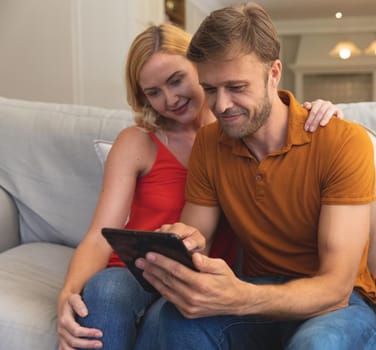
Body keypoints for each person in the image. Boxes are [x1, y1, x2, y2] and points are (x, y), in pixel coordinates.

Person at [56, 22, 343, 350]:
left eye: (176, 80)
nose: (170, 99)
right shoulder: (138, 142)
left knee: (175, 320)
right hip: (135, 272)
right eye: (153, 92)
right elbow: (99, 235)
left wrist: (321, 111)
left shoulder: (243, 132)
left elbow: (284, 124)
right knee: (106, 290)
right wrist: (68, 293)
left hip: (195, 274)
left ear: (203, 66)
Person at [135, 3, 376, 350]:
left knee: (318, 345)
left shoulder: (342, 141)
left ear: (274, 73)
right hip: (254, 287)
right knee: (177, 323)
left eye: (236, 86)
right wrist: (178, 242)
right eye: (209, 89)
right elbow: (198, 235)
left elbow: (335, 287)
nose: (221, 105)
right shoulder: (209, 142)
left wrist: (242, 297)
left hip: (333, 306)